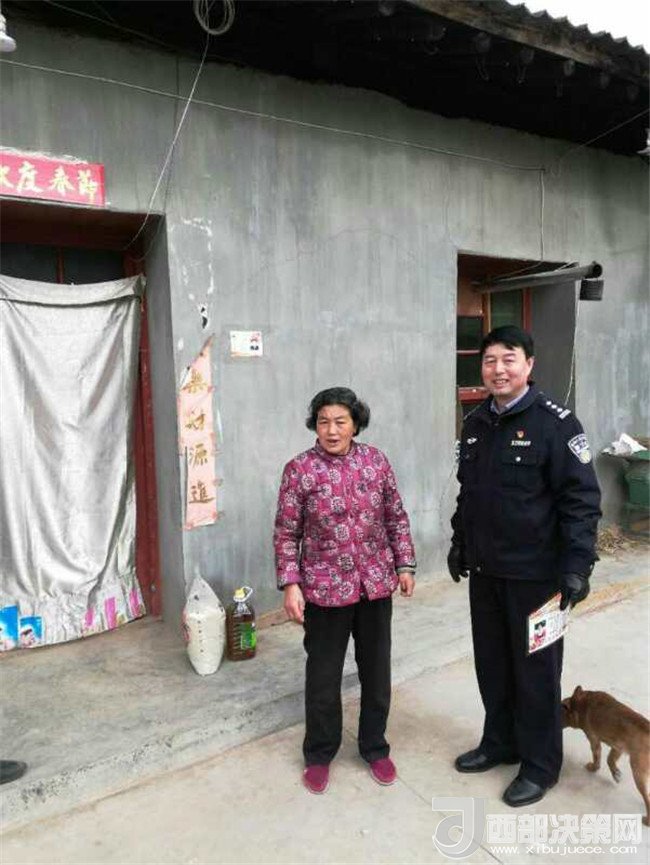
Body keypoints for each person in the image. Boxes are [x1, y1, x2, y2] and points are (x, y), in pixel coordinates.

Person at [448, 325, 601, 807]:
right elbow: (470, 493)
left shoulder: (557, 425)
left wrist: (577, 565)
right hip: (487, 573)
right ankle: (501, 743)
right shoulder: (476, 423)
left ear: (529, 365)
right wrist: (459, 542)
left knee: (537, 675)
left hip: (539, 578)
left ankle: (540, 765)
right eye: (489, 360)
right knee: (493, 666)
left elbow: (581, 501)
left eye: (508, 359)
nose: (498, 369)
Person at [274, 387, 416, 794]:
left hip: (374, 585)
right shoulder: (300, 470)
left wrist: (404, 564)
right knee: (323, 677)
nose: (332, 430)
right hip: (323, 590)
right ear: (314, 426)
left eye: (340, 421)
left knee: (377, 672)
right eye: (323, 422)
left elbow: (395, 517)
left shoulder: (376, 462)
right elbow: (286, 533)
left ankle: (375, 747)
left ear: (356, 424)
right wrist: (291, 584)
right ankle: (319, 754)